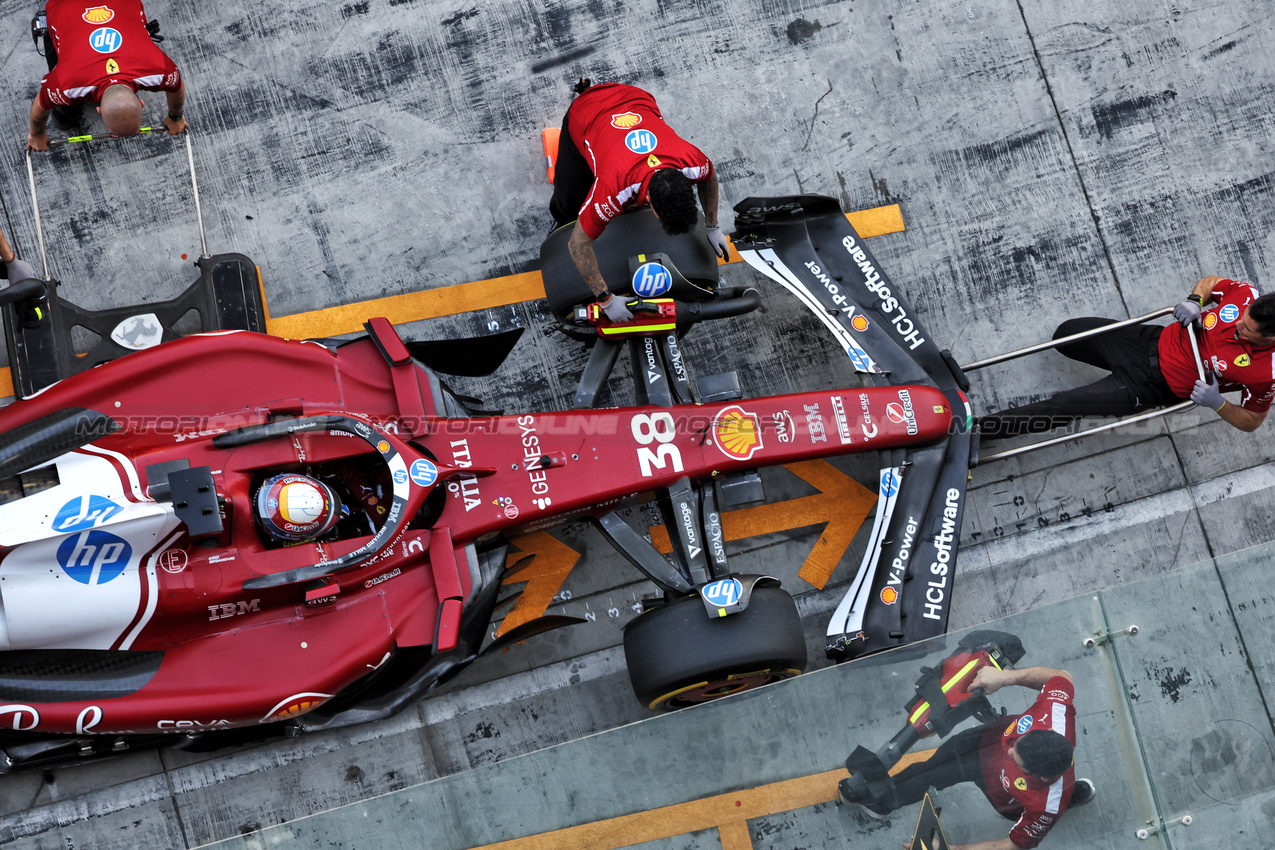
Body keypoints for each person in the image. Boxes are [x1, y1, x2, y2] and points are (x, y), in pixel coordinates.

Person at [978, 276, 1275, 437]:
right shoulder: (1245, 295)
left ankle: (977, 433)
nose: (1237, 325)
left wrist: (1218, 403)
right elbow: (1212, 284)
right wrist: (1195, 301)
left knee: (1066, 404)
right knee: (1066, 335)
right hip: (1146, 342)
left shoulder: (1267, 372)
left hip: (1150, 386)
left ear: (1269, 337)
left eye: (1246, 329)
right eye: (1242, 318)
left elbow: (1251, 421)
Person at [840, 666, 1094, 850]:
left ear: (1040, 776)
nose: (1008, 750)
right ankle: (881, 801)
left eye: (1017, 760)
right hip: (981, 743)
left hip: (1005, 797)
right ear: (1047, 730)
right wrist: (1005, 677)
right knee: (930, 771)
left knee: (1054, 806)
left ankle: (1070, 797)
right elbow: (1062, 677)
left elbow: (1011, 845)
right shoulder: (1056, 713)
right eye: (1018, 742)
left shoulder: (1044, 805)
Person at [549, 80, 727, 323]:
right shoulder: (614, 191)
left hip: (635, 98)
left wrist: (712, 226)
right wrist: (606, 300)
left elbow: (710, 178)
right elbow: (577, 245)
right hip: (587, 112)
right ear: (650, 202)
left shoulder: (693, 161)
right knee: (568, 201)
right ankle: (584, 92)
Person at [27, 0, 187, 151]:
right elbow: (41, 103)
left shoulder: (159, 69)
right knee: (64, 116)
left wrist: (176, 117)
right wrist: (35, 135)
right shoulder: (66, 84)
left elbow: (176, 86)